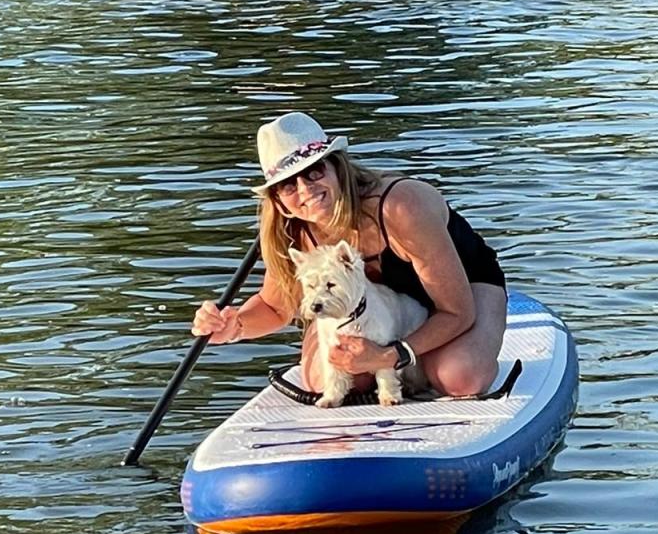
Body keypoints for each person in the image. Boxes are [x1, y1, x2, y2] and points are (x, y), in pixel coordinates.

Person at [191, 113, 508, 397]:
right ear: (276, 199)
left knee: (459, 376)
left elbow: (456, 312)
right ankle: (402, 367)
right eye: (287, 185)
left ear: (337, 166)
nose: (304, 190)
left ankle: (429, 360)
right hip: (366, 311)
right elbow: (276, 308)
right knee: (325, 379)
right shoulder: (289, 231)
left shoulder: (400, 206)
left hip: (457, 295)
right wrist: (235, 326)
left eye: (313, 171)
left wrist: (390, 355)